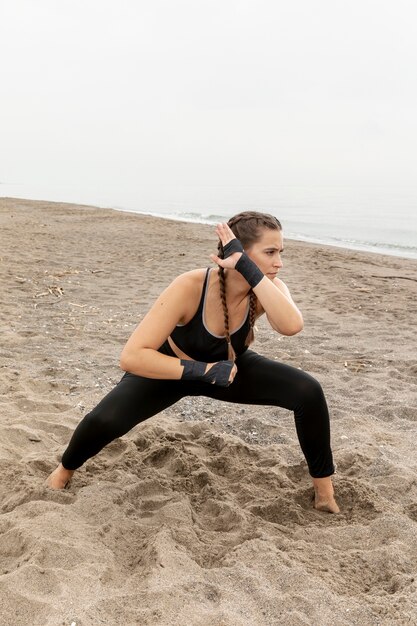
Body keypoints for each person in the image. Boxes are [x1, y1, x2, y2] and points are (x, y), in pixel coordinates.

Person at [47, 211, 340, 513]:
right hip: (170, 369)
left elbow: (291, 326)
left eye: (280, 252)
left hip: (226, 370)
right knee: (103, 421)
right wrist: (202, 371)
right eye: (270, 252)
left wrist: (251, 272)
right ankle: (64, 470)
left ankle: (324, 494)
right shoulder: (190, 286)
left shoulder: (267, 286)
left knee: (308, 391)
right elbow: (131, 356)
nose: (279, 262)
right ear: (238, 250)